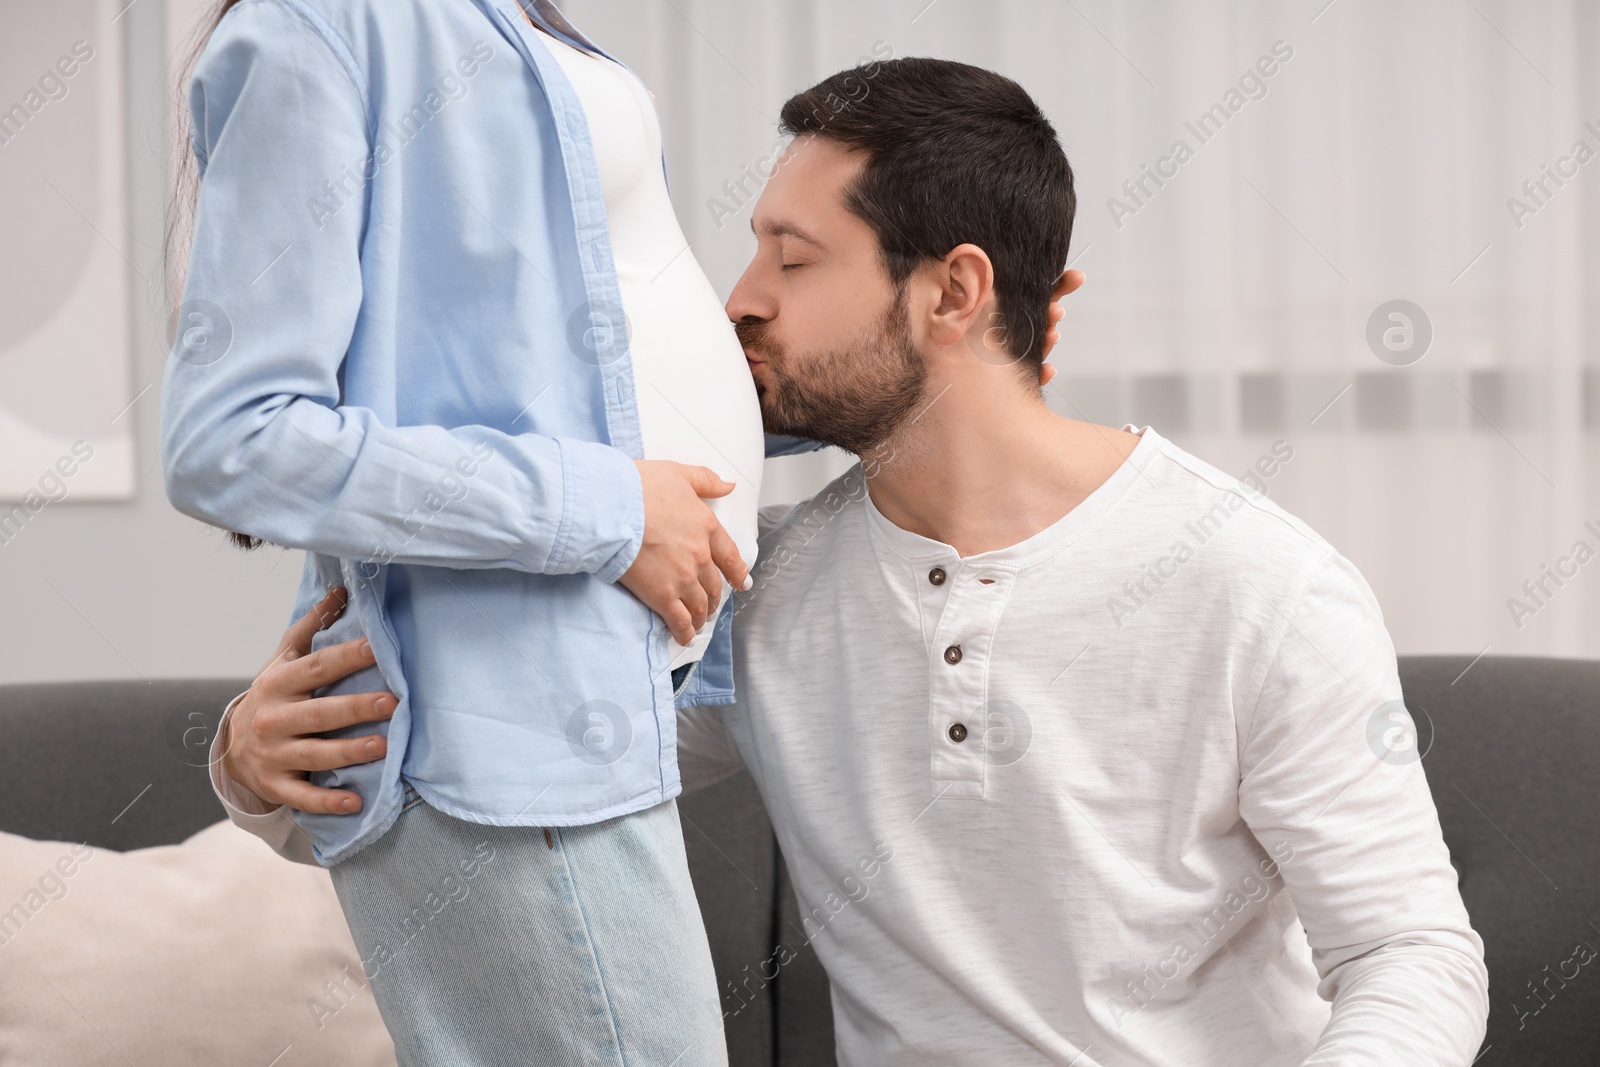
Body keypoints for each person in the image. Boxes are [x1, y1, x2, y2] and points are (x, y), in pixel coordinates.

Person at [212, 56, 1488, 1066]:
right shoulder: (749, 587)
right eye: (753, 247)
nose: (737, 300)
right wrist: (257, 765)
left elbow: (1411, 953)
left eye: (792, 257)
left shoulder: (1255, 583)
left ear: (952, 292)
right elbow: (501, 765)